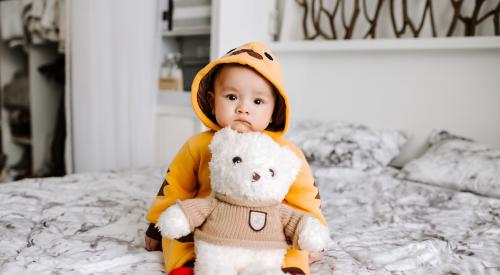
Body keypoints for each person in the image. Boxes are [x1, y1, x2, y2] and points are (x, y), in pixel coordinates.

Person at [144, 42, 326, 275]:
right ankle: (188, 266)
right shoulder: (199, 145)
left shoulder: (284, 152)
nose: (243, 109)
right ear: (212, 101)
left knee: (291, 248)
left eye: (258, 101)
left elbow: (306, 196)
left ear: (274, 111)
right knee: (179, 241)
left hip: (268, 232)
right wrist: (156, 224)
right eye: (231, 97)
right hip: (209, 227)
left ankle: (289, 269)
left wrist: (313, 231)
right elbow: (175, 186)